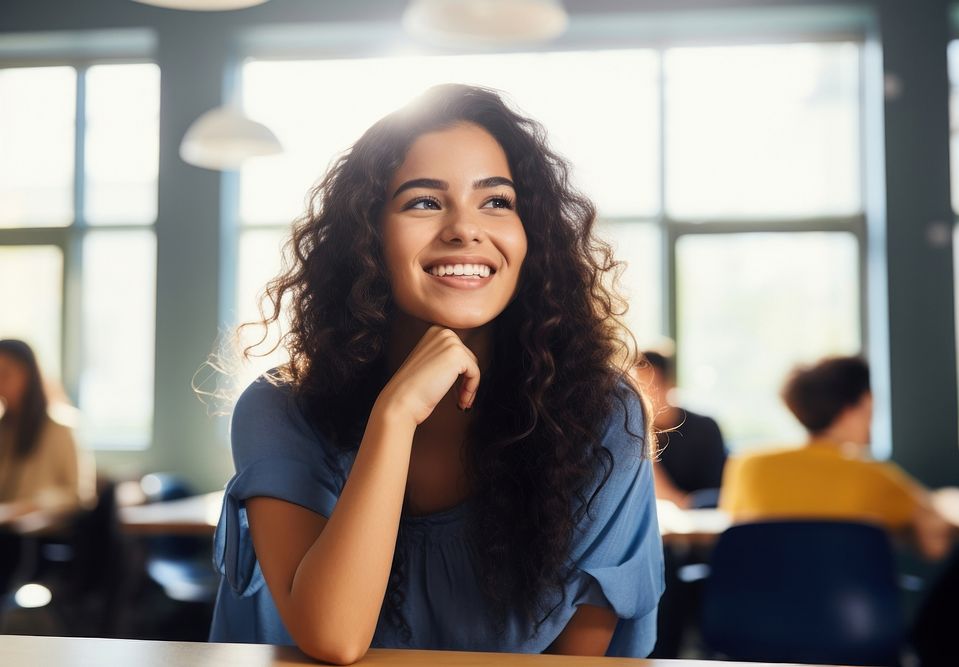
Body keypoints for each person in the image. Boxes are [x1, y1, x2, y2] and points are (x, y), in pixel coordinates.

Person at [209, 84, 664, 663]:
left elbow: (577, 658)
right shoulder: (280, 408)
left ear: (534, 236)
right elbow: (333, 637)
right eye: (424, 202)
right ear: (367, 235)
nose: (464, 229)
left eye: (497, 202)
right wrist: (394, 417)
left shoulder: (599, 411)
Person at [719, 355, 949, 560]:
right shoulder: (872, 476)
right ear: (860, 405)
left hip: (754, 604)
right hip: (849, 607)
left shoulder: (747, 465)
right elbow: (934, 547)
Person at [0, 338, 95, 595]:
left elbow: (78, 494)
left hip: (35, 539)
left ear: (29, 375)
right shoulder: (4, 429)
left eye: (6, 374)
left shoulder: (60, 427)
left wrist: (27, 507)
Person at [633, 348, 727, 508]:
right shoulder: (634, 435)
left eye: (649, 386)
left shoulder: (705, 428)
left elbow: (719, 495)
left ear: (670, 383)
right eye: (637, 388)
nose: (644, 396)